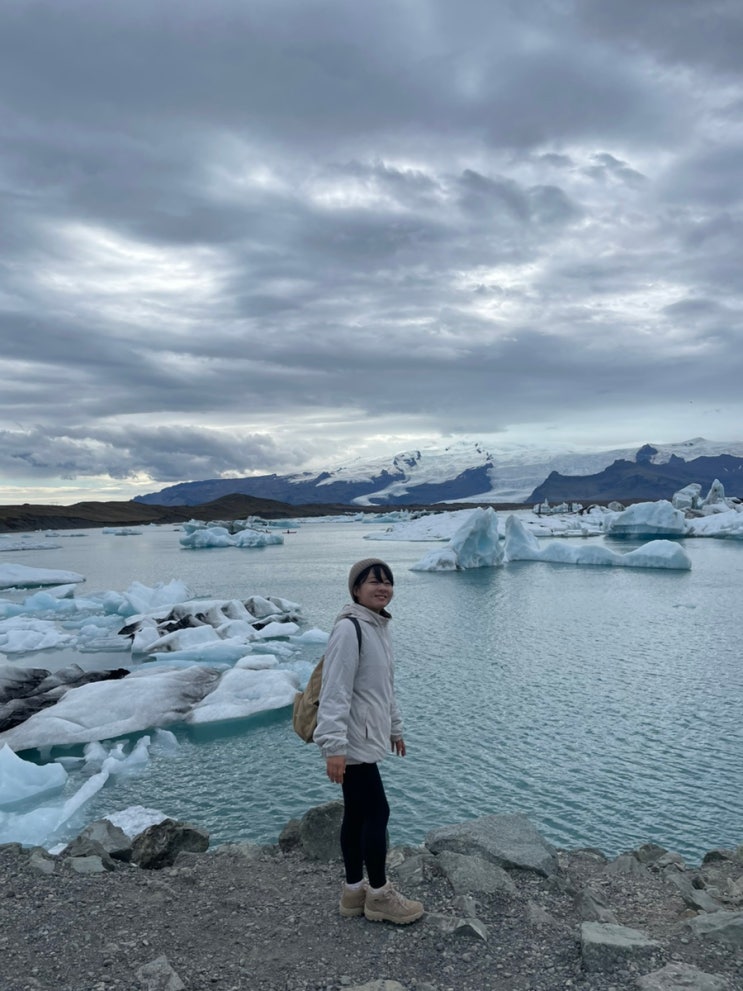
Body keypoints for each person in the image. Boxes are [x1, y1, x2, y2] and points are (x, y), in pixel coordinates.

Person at [314, 557, 424, 925]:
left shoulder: (378, 627)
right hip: (352, 741)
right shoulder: (350, 629)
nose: (383, 588)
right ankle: (378, 895)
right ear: (356, 589)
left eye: (388, 582)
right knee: (378, 813)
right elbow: (334, 690)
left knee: (357, 814)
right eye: (374, 581)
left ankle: (353, 891)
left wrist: (395, 729)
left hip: (364, 736)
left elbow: (383, 689)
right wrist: (334, 747)